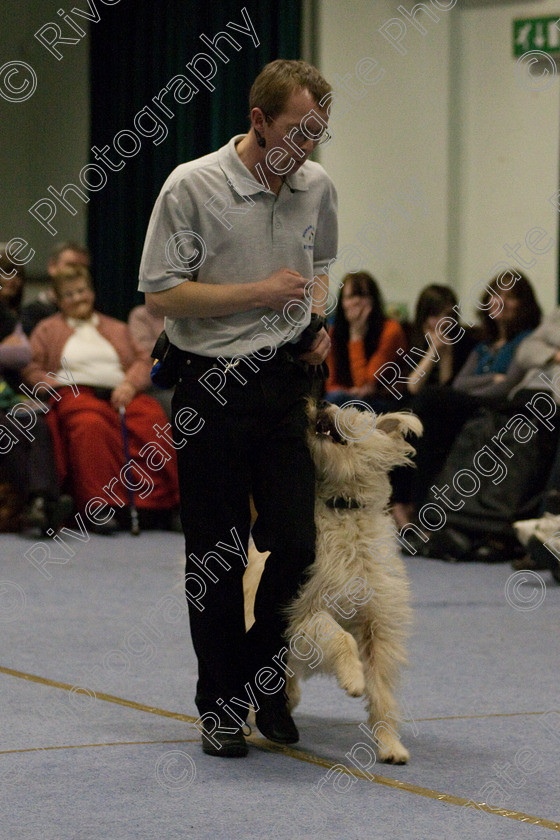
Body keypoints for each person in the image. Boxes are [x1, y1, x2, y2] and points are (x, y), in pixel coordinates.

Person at [138, 59, 337, 757]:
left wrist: (319, 324)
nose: (306, 145)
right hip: (210, 389)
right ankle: (221, 706)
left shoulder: (316, 187)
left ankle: (257, 669)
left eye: (318, 132)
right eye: (296, 130)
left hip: (283, 386)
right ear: (258, 120)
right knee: (217, 558)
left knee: (300, 546)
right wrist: (257, 293)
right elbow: (161, 293)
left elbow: (319, 276)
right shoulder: (192, 184)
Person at [22, 265, 180, 534]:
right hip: (75, 392)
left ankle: (168, 505)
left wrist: (130, 384)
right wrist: (48, 383)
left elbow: (144, 360)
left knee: (152, 420)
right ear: (59, 301)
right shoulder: (47, 330)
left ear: (92, 293)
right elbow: (31, 367)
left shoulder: (117, 327)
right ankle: (99, 505)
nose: (78, 298)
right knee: (90, 425)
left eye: (82, 291)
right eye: (69, 294)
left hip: (122, 392)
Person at [391, 284, 476, 529]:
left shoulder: (463, 342)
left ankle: (415, 507)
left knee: (420, 419)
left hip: (446, 412)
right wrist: (432, 351)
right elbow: (413, 386)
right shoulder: (414, 340)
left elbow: (449, 388)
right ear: (424, 316)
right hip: (418, 407)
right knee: (405, 419)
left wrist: (446, 352)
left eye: (447, 315)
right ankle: (400, 504)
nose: (441, 322)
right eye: (435, 314)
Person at [324, 271, 407, 410]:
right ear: (342, 303)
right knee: (333, 399)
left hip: (383, 400)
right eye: (350, 297)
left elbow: (366, 383)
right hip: (346, 397)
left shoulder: (391, 330)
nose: (356, 302)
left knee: (337, 400)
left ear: (373, 300)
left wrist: (356, 335)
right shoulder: (334, 333)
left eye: (362, 295)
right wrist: (349, 392)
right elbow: (330, 384)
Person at [20, 242, 90, 336]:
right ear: (52, 267)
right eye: (71, 265)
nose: (77, 271)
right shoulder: (31, 314)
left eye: (83, 267)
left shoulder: (98, 312)